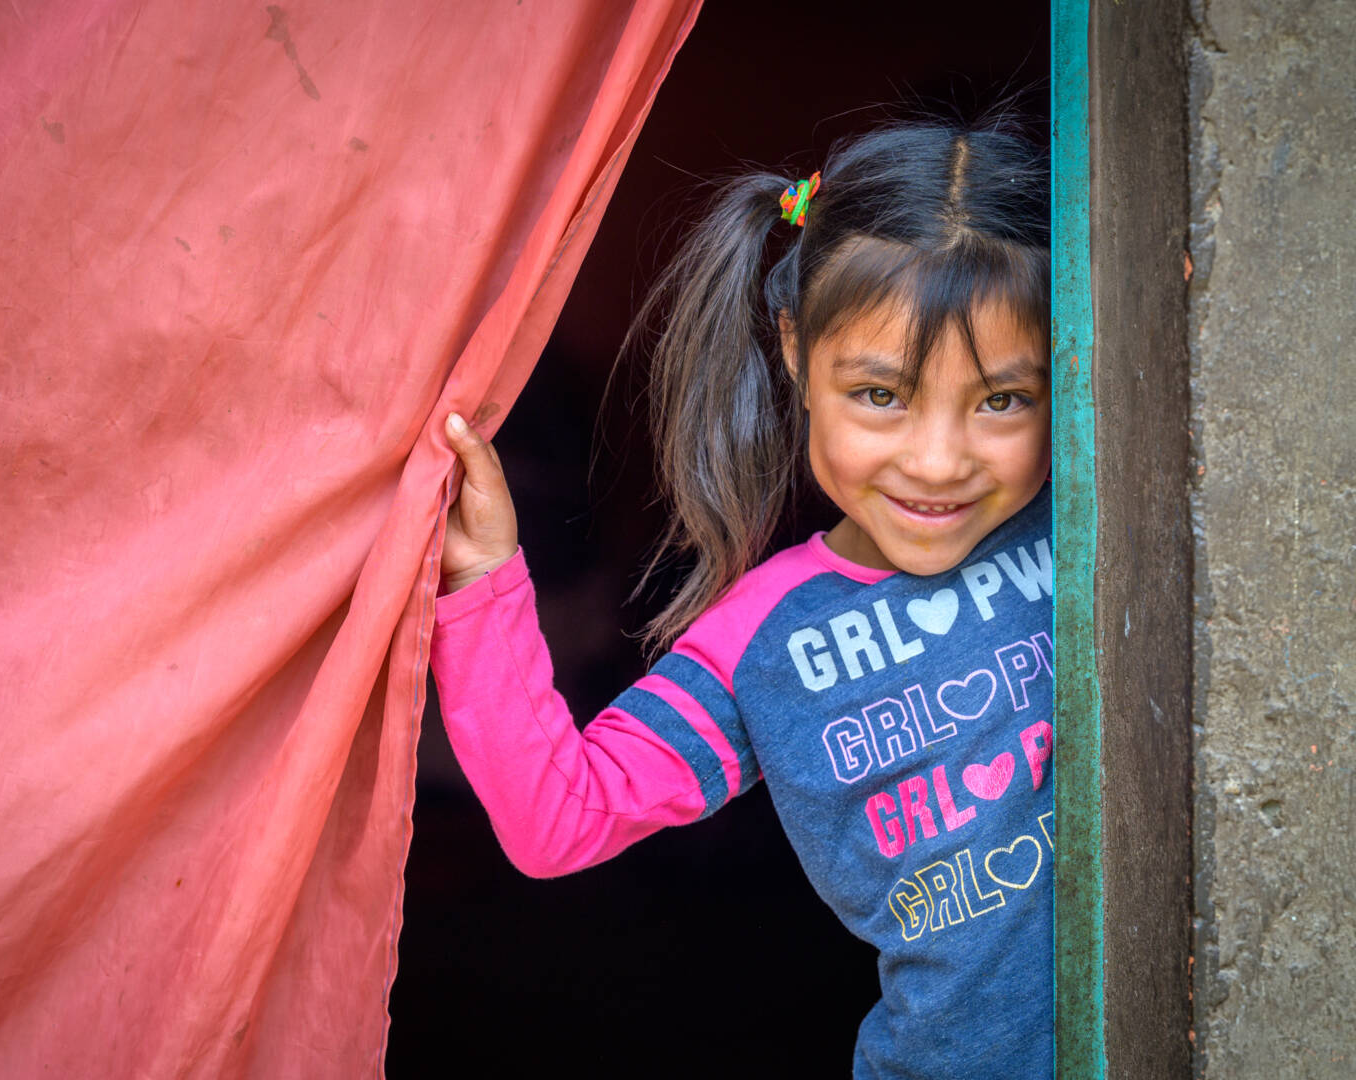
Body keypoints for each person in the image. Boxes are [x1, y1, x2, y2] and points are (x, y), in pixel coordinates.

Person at [430, 120, 1055, 1079]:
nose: (939, 462)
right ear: (798, 352)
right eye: (881, 396)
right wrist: (483, 584)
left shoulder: (1091, 534)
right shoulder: (764, 640)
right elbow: (562, 819)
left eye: (1001, 401)